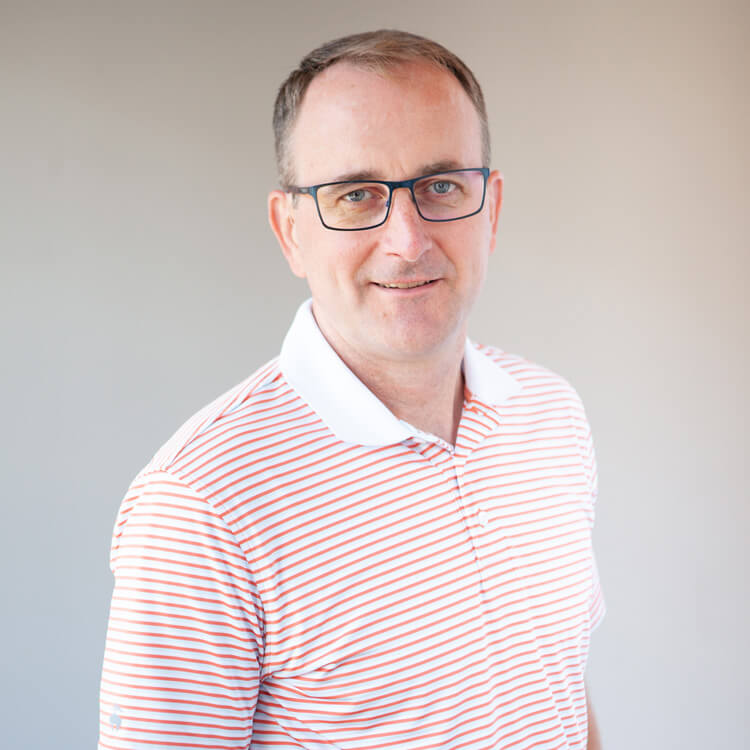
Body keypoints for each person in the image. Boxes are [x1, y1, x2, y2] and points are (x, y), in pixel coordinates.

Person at [99, 29, 604, 750]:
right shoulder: (202, 504)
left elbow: (559, 688)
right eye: (357, 195)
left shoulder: (550, 414)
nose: (407, 240)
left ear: (490, 209)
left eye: (441, 186)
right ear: (290, 231)